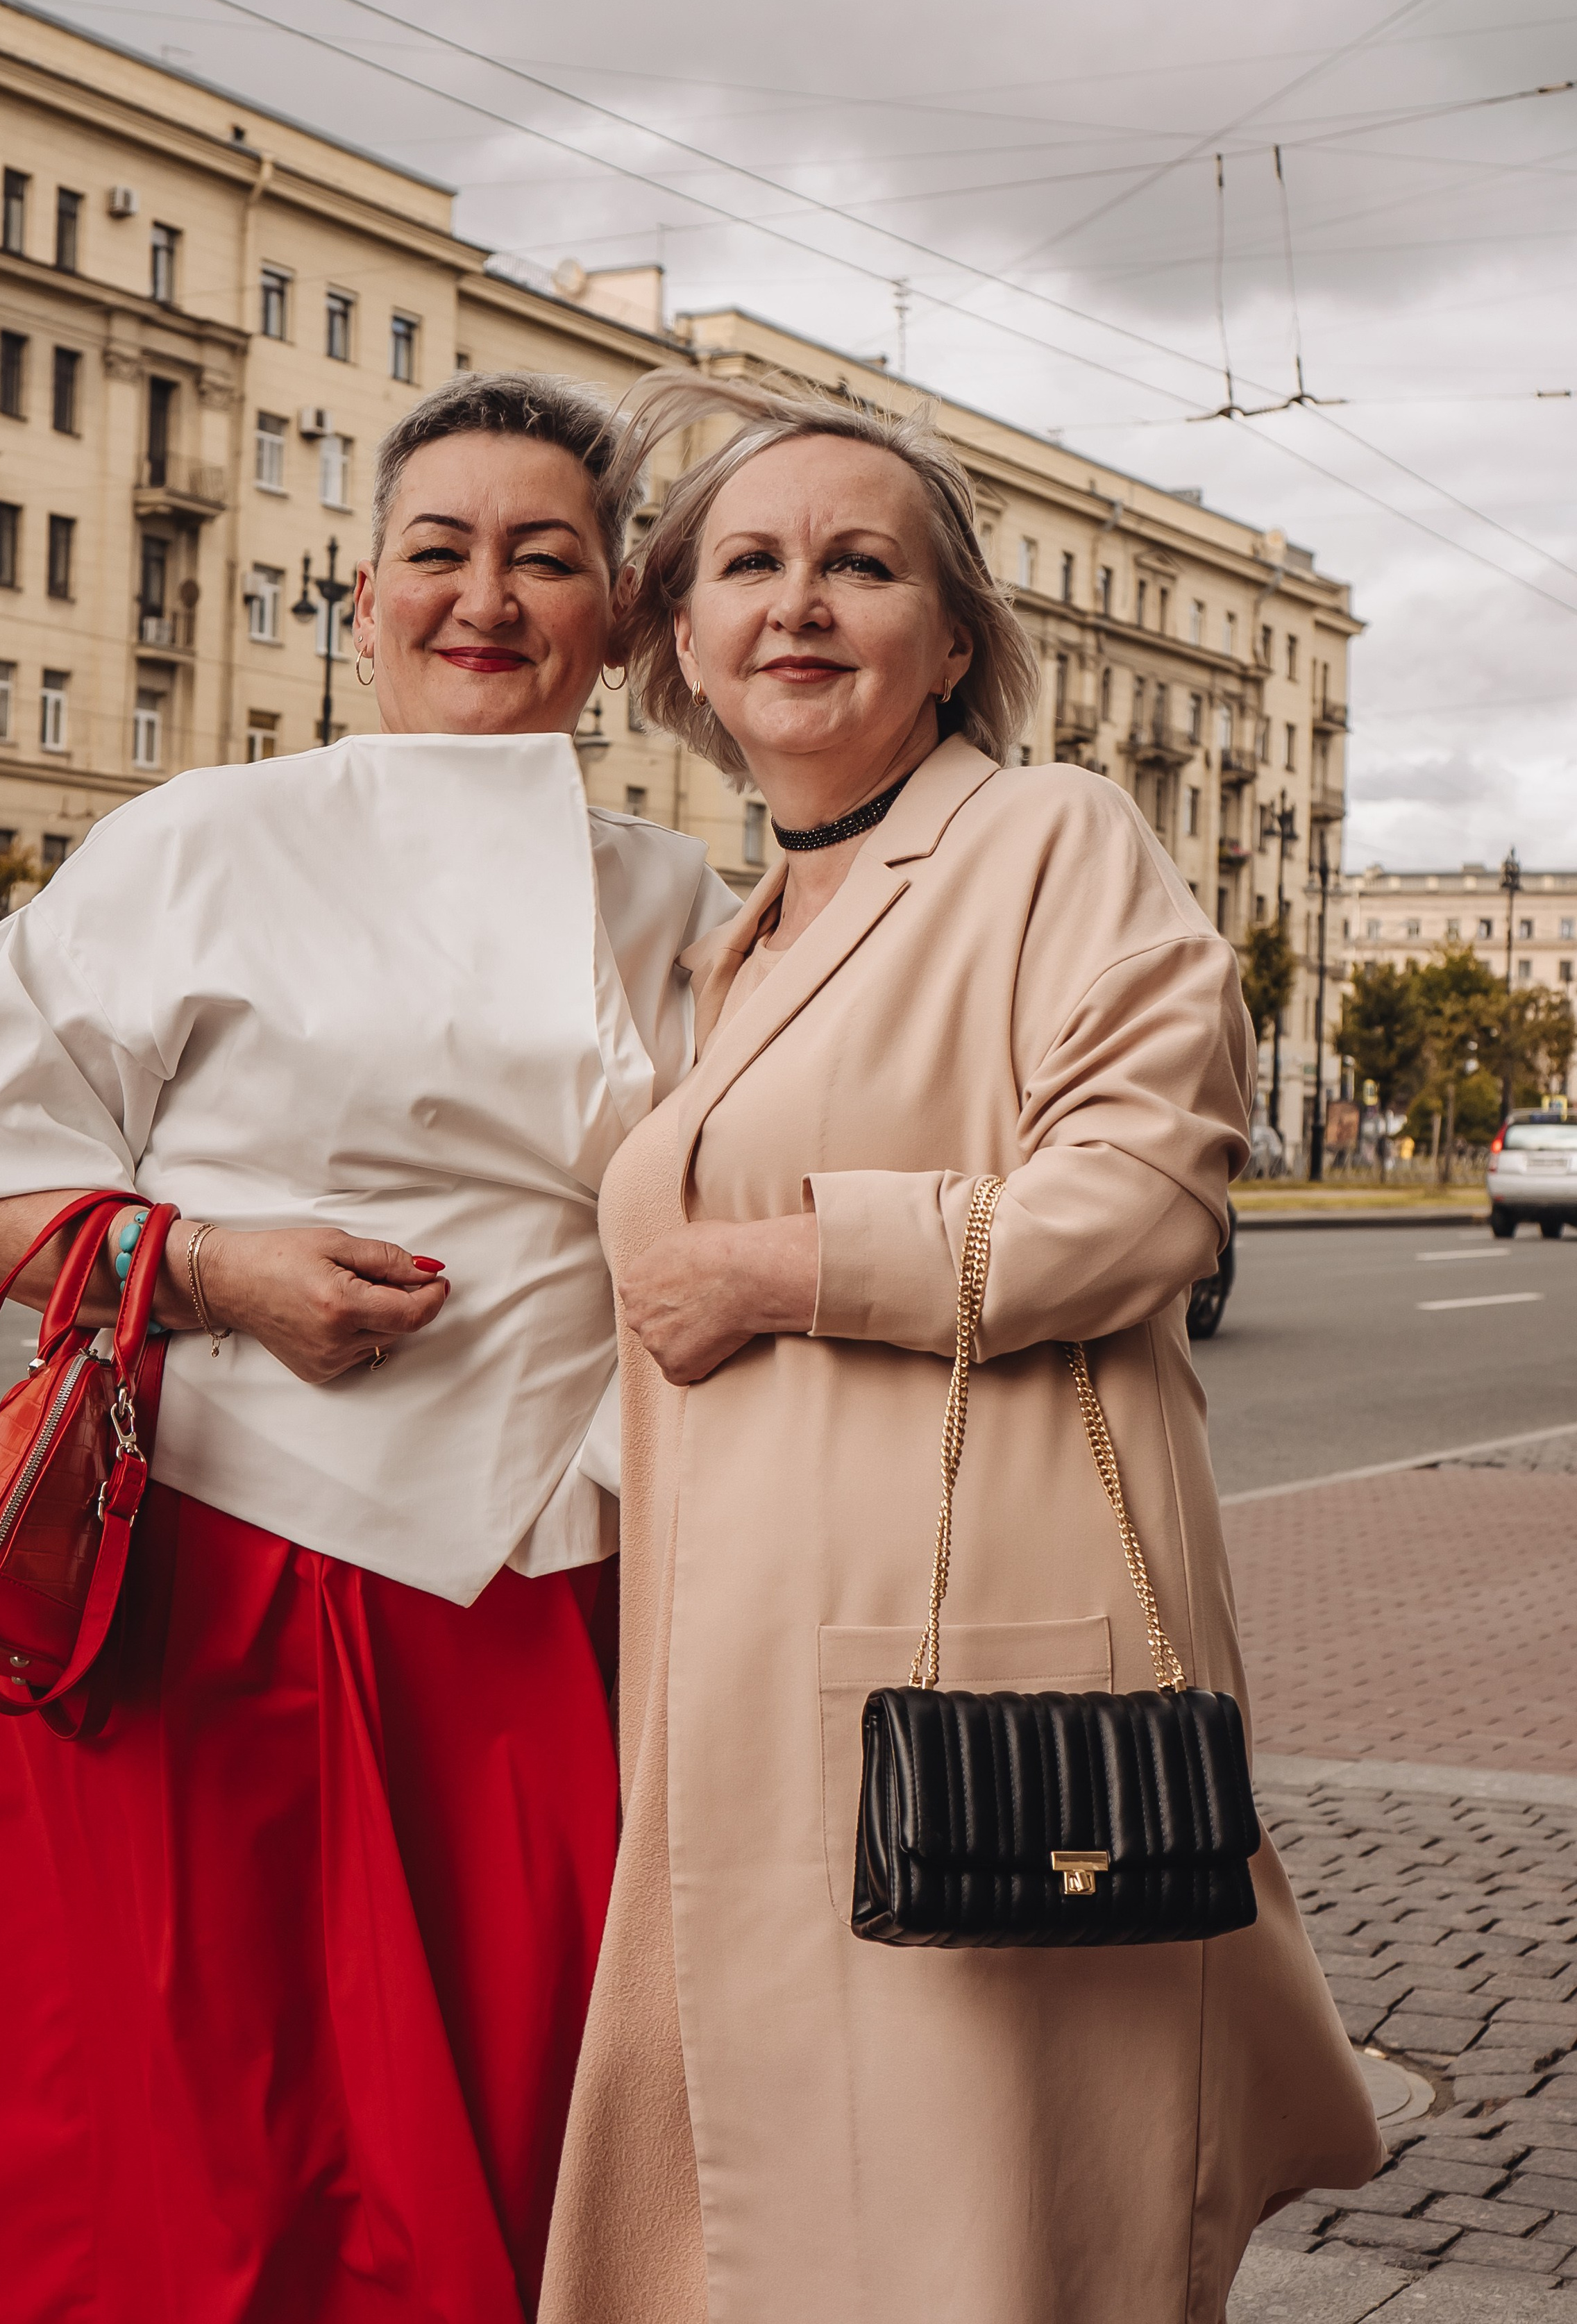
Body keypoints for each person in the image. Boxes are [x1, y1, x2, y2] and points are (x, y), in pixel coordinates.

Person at [0, 373, 736, 2324]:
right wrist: (207, 1266)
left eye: (543, 556)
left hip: (549, 1599)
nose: (483, 594)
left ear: (620, 614)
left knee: (526, 2134)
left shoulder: (692, 903)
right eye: (438, 551)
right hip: (220, 1582)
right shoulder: (206, 834)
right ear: (361, 599)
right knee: (196, 2145)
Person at [538, 373, 1381, 2324]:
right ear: (681, 639)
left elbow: (1147, 1200)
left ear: (954, 640)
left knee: (978, 2219)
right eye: (749, 564)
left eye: (862, 564)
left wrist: (781, 1268)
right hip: (744, 1684)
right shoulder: (733, 933)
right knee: (786, 2217)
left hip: (978, 1680)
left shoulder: (1048, 838)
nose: (801, 602)